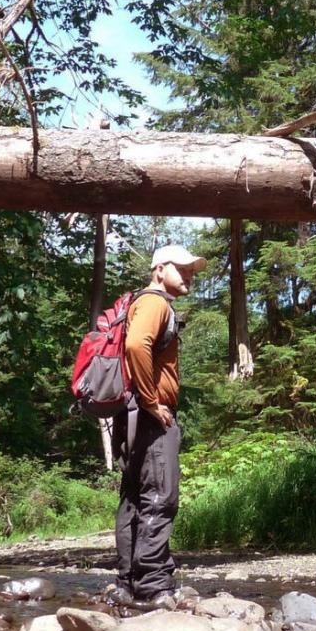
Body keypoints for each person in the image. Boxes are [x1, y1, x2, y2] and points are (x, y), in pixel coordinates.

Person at [109, 244, 206, 608]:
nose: (189, 275)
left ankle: (128, 582)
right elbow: (136, 346)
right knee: (160, 497)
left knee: (134, 497)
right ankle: (152, 585)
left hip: (130, 414)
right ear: (159, 269)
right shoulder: (154, 302)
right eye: (181, 269)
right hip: (149, 415)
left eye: (192, 271)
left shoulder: (141, 302)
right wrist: (152, 402)